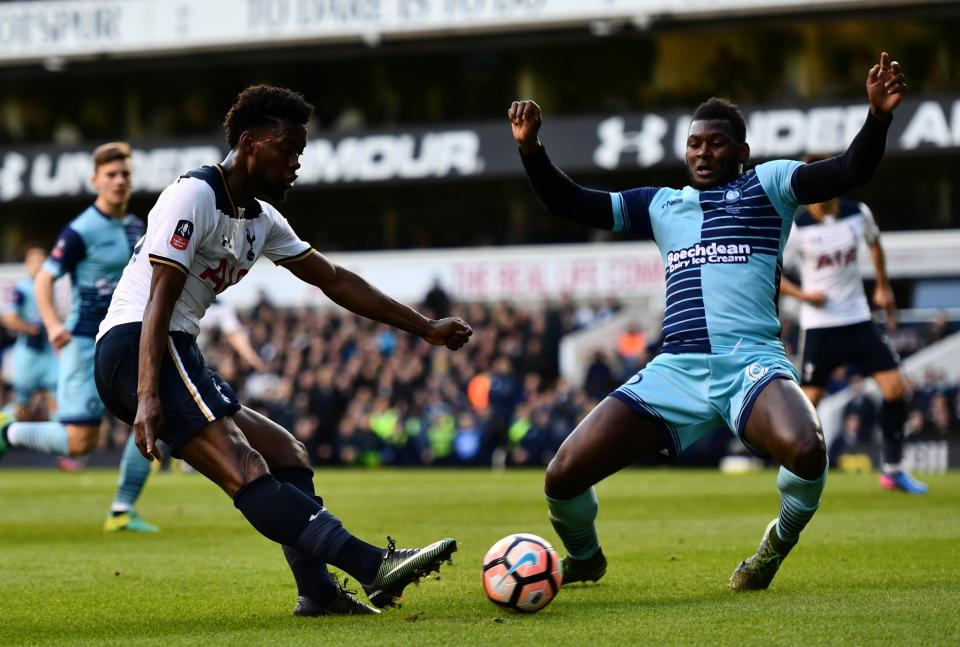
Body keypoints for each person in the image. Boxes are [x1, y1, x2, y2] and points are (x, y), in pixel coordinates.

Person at [507, 51, 906, 592]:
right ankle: (586, 557)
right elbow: (572, 203)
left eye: (715, 143)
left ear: (741, 151)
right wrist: (532, 151)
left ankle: (774, 548)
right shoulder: (662, 204)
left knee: (808, 448)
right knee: (561, 476)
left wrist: (877, 117)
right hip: (676, 369)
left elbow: (849, 169)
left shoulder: (770, 185)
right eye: (694, 143)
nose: (702, 151)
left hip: (752, 366)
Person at [89, 85, 472, 615]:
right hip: (138, 344)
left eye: (300, 153)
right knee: (244, 466)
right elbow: (159, 297)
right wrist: (148, 394)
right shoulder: (194, 195)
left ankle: (316, 592)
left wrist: (424, 327)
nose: (296, 164)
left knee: (285, 452)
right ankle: (371, 566)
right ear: (250, 143)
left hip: (172, 348)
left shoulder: (262, 219)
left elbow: (334, 280)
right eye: (288, 150)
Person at [0, 143, 157, 530]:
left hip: (130, 338)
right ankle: (9, 430)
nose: (119, 181)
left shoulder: (138, 226)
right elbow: (44, 281)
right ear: (95, 180)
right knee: (79, 443)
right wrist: (54, 325)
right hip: (85, 341)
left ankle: (122, 510)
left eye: (124, 174)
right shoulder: (80, 230)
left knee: (156, 417)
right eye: (111, 175)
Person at [781, 190, 927, 494]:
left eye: (825, 194)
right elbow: (772, 270)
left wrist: (883, 286)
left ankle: (893, 471)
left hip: (858, 319)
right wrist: (803, 295)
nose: (819, 203)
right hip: (820, 327)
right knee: (808, 404)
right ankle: (795, 475)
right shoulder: (798, 229)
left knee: (895, 388)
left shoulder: (857, 213)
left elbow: (874, 242)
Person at [1, 245, 58, 422]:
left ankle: (63, 448)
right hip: (29, 353)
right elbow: (9, 319)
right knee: (21, 403)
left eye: (42, 260)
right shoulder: (22, 289)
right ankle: (3, 433)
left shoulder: (50, 286)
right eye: (34, 261)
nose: (38, 264)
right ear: (27, 264)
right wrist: (32, 329)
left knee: (57, 399)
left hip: (48, 353)